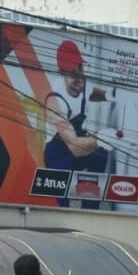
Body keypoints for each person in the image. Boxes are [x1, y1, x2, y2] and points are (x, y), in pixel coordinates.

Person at [45, 39, 112, 209]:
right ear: (62, 73)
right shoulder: (54, 101)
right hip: (58, 155)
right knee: (63, 200)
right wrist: (101, 138)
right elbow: (75, 148)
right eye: (73, 73)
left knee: (100, 155)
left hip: (76, 146)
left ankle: (91, 207)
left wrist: (111, 96)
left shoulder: (82, 84)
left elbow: (93, 93)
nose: (79, 78)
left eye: (81, 70)